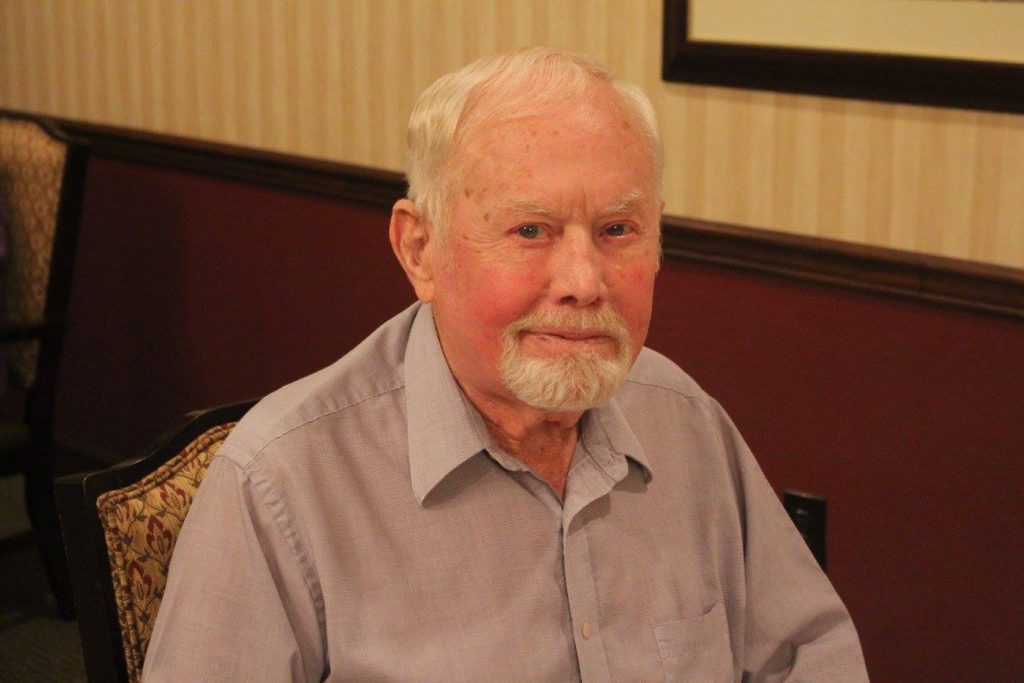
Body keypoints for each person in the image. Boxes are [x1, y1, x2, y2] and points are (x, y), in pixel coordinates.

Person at [144, 48, 868, 682]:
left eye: (618, 229)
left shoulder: (685, 418)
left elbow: (808, 656)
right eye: (531, 230)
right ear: (420, 250)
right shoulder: (283, 483)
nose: (584, 280)